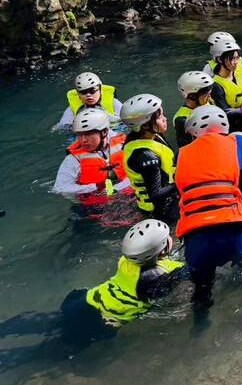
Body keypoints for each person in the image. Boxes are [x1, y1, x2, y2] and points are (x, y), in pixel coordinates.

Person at [0, 220, 185, 368]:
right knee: (52, 350)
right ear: (161, 251)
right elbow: (184, 274)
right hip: (100, 321)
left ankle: (5, 328)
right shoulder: (158, 277)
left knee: (50, 321)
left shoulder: (126, 261)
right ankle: (8, 360)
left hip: (83, 301)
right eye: (167, 238)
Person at [175, 105, 242, 318]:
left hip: (195, 236)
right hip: (233, 228)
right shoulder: (239, 144)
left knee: (202, 291)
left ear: (194, 131)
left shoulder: (181, 154)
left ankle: (200, 329)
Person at [53, 108, 132, 205]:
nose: (83, 140)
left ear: (104, 132)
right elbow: (60, 188)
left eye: (88, 134)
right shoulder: (74, 159)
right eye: (79, 134)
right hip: (95, 206)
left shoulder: (125, 143)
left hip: (130, 196)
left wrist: (120, 187)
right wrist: (95, 187)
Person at [120, 94, 178, 221]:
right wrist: (183, 183)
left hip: (167, 200)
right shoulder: (145, 156)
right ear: (145, 125)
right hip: (159, 212)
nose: (165, 119)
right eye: (159, 117)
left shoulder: (149, 136)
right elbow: (155, 195)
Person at [209, 40, 242, 131]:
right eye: (232, 59)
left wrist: (240, 111)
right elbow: (226, 113)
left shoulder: (238, 74)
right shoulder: (216, 85)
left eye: (237, 58)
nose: (236, 62)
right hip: (232, 128)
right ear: (220, 59)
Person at [58, 72, 122, 129]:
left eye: (92, 91)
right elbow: (63, 127)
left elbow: (126, 120)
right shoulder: (71, 109)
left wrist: (106, 116)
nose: (88, 95)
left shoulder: (114, 102)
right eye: (83, 92)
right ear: (78, 95)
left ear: (100, 90)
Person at [173, 71, 214, 148]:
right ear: (192, 96)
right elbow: (185, 149)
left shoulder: (207, 103)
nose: (210, 97)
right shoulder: (182, 120)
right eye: (206, 94)